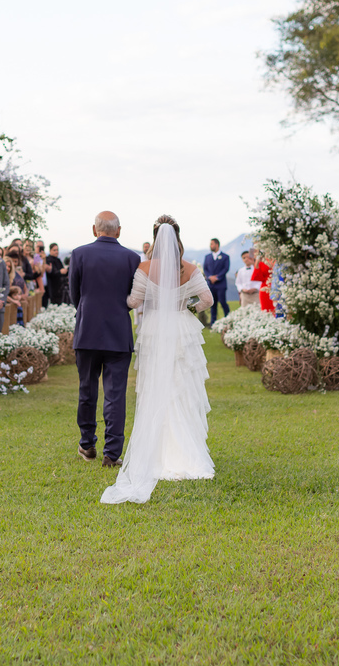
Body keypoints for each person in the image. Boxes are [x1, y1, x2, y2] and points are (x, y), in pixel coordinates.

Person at [102, 215, 214, 504]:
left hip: (154, 329)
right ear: (177, 237)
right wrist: (187, 306)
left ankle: (157, 451)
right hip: (180, 327)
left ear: (155, 239)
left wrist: (129, 298)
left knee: (155, 385)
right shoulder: (190, 268)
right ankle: (186, 451)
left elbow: (134, 302)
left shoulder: (145, 268)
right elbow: (207, 300)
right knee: (181, 385)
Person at [70, 211, 142, 468]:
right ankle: (112, 453)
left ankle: (87, 444)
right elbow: (134, 296)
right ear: (118, 230)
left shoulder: (79, 254)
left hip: (87, 331)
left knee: (86, 390)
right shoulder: (132, 258)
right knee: (115, 395)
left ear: (94, 229)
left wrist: (88, 312)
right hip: (118, 333)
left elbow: (75, 294)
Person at [202, 238, 230, 326]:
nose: (210, 246)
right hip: (211, 284)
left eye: (212, 244)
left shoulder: (225, 257)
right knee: (212, 304)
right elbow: (205, 269)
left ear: (217, 245)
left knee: (222, 302)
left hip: (221, 284)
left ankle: (228, 320)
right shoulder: (207, 257)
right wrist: (210, 277)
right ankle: (213, 323)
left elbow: (226, 268)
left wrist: (217, 277)